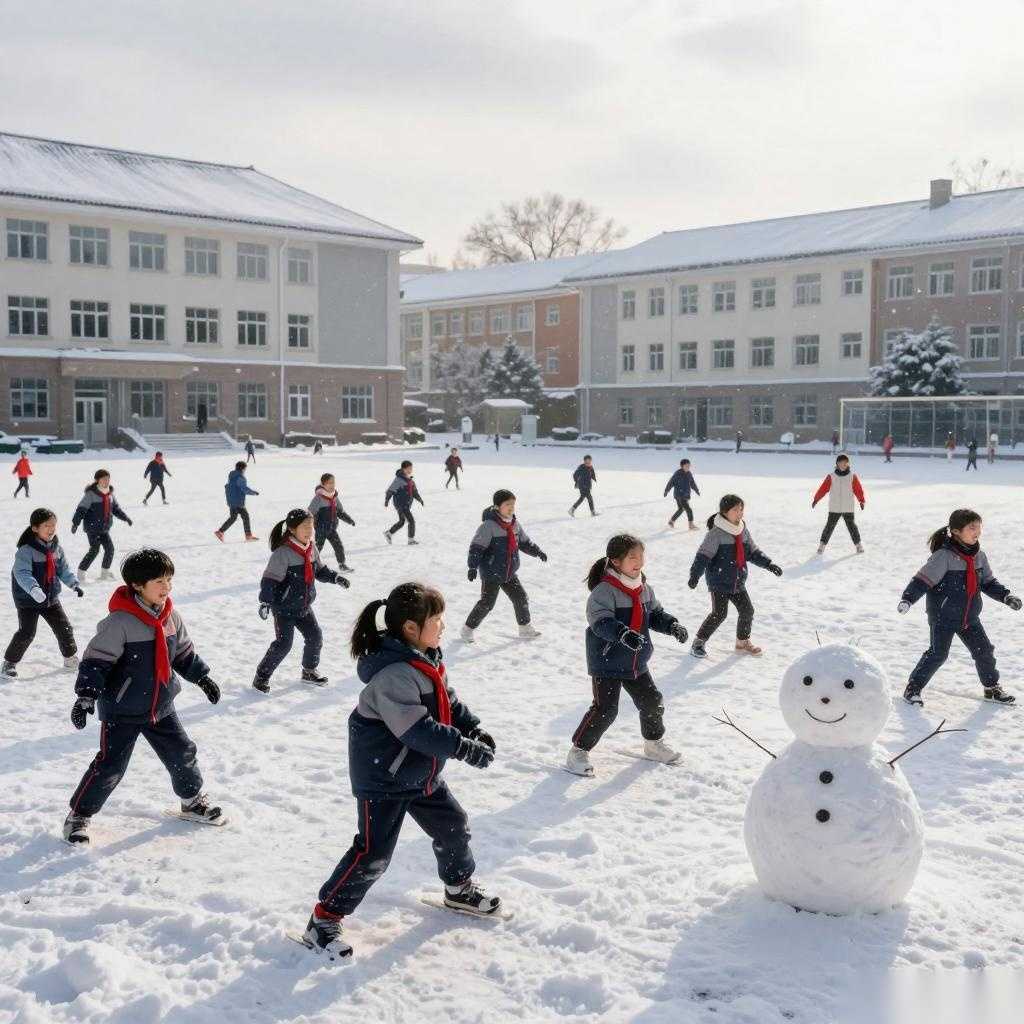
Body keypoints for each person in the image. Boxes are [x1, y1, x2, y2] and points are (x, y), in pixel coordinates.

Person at [300, 583, 500, 959]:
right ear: (411, 627)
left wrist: (472, 728)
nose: (442, 626)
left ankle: (458, 888)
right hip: (384, 779)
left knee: (453, 826)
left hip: (420, 773)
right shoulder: (394, 675)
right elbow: (417, 729)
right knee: (373, 853)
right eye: (436, 620)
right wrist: (462, 748)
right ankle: (323, 920)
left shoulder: (428, 660)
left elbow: (449, 702)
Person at [63, 548, 224, 845]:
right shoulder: (119, 623)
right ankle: (78, 816)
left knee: (182, 752)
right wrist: (85, 696)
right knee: (110, 767)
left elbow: (183, 654)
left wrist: (202, 677)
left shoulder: (170, 616)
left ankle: (191, 802)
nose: (167, 587)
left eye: (169, 580)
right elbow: (96, 662)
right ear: (138, 585)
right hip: (123, 710)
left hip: (161, 706)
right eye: (159, 581)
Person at [565, 534, 689, 776]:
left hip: (635, 662)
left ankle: (653, 744)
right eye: (633, 557)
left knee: (652, 701)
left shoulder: (644, 589)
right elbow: (600, 622)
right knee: (605, 710)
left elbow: (655, 615)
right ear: (615, 561)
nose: (639, 562)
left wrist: (672, 625)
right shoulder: (604, 591)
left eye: (641, 556)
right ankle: (578, 751)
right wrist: (622, 633)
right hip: (607, 661)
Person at [899, 509, 1019, 706]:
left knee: (984, 651)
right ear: (956, 531)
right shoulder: (943, 557)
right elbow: (922, 580)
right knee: (938, 654)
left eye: (979, 527)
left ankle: (992, 688)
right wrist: (908, 599)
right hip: (943, 616)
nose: (977, 531)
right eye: (972, 527)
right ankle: (913, 688)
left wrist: (1006, 596)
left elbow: (988, 582)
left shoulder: (979, 556)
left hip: (969, 617)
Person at [252, 509, 349, 694]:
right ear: (292, 529)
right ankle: (261, 677)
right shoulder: (283, 553)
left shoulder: (311, 548)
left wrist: (335, 578)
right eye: (304, 527)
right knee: (284, 644)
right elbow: (269, 580)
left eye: (311, 526)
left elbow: (320, 571)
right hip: (283, 608)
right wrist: (265, 602)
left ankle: (309, 671)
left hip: (303, 606)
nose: (309, 530)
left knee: (315, 637)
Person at [688, 494, 782, 658]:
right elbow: (703, 556)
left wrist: (769, 564)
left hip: (737, 580)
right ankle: (698, 643)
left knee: (747, 611)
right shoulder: (716, 534)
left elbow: (752, 552)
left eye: (741, 509)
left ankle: (742, 643)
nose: (740, 513)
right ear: (725, 512)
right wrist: (695, 575)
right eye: (735, 510)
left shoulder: (742, 530)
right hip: (719, 581)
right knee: (719, 614)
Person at [2, 508, 83, 679]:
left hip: (50, 598)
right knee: (27, 632)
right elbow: (22, 573)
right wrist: (34, 590)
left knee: (64, 628)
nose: (51, 529)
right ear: (35, 528)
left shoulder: (56, 548)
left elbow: (63, 569)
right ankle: (9, 663)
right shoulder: (25, 551)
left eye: (53, 525)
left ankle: (70, 658)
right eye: (47, 526)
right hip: (28, 600)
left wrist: (74, 584)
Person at [461, 489, 547, 643]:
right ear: (497, 506)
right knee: (487, 604)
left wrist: (538, 552)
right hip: (491, 572)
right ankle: (467, 629)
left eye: (513, 504)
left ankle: (525, 628)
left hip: (509, 572)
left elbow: (525, 543)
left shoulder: (514, 524)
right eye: (507, 504)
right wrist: (472, 567)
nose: (511, 507)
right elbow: (477, 547)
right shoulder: (488, 526)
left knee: (520, 598)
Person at [71, 469, 132, 580]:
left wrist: (125, 518)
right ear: (97, 480)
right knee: (94, 550)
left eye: (108, 479)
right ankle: (81, 573)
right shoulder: (91, 494)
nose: (106, 481)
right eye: (103, 479)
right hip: (92, 528)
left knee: (110, 549)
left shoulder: (110, 494)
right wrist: (75, 523)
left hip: (104, 528)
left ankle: (104, 574)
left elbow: (116, 509)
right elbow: (81, 509)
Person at [813, 453, 866, 554]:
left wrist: (861, 500)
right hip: (834, 507)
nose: (843, 465)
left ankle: (858, 545)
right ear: (837, 464)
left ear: (848, 464)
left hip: (848, 507)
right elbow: (823, 489)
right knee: (829, 527)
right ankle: (822, 545)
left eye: (845, 463)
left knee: (852, 527)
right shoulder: (831, 476)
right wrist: (816, 499)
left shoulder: (852, 476)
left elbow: (858, 489)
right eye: (841, 463)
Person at [309, 473, 355, 572]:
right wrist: (310, 526)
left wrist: (349, 520)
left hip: (331, 529)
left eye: (333, 482)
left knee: (338, 546)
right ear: (323, 484)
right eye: (329, 483)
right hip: (321, 530)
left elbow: (340, 512)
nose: (332, 485)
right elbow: (310, 513)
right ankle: (309, 566)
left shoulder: (334, 497)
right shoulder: (318, 498)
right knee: (317, 549)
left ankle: (342, 565)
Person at [214, 462, 259, 542]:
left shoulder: (231, 475)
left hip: (231, 500)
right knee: (245, 516)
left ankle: (220, 532)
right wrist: (254, 493)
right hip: (238, 501)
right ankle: (248, 536)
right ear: (243, 469)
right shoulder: (241, 477)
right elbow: (244, 489)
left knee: (234, 517)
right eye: (245, 469)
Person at [383, 460, 424, 546]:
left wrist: (420, 499)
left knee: (402, 521)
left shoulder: (410, 480)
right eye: (409, 468)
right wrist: (387, 500)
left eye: (411, 468)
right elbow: (390, 490)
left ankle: (389, 533)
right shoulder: (399, 479)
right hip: (401, 504)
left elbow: (414, 492)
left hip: (406, 504)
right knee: (411, 521)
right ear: (403, 469)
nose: (410, 470)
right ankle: (411, 540)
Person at [664, 458, 700, 530]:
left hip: (685, 494)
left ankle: (671, 521)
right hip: (679, 495)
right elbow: (671, 482)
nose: (688, 467)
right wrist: (666, 490)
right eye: (686, 466)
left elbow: (692, 483)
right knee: (688, 509)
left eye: (689, 466)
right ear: (682, 466)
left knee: (681, 509)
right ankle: (691, 525)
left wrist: (696, 490)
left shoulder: (689, 473)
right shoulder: (678, 474)